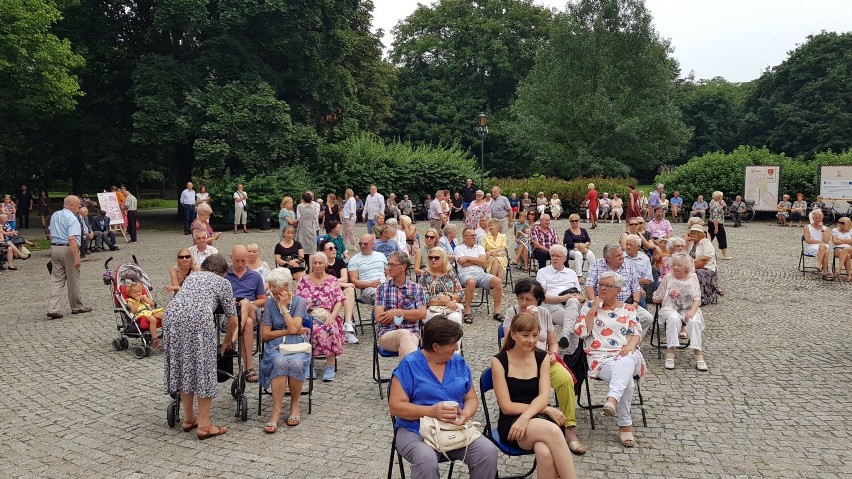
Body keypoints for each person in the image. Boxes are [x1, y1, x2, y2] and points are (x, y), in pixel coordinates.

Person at [389, 317, 499, 479]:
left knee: (487, 452)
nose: (456, 347)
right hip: (414, 429)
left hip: (453, 427)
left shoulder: (459, 364)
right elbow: (396, 407)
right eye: (452, 344)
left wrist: (465, 415)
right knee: (425, 460)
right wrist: (431, 411)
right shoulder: (410, 365)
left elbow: (471, 398)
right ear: (435, 346)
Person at [501, 280, 587, 454]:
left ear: (538, 301)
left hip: (544, 360)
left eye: (529, 299)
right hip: (521, 363)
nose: (524, 303)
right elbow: (507, 345)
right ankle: (536, 415)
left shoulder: (545, 313)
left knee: (564, 379)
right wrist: (525, 321)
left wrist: (553, 354)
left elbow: (552, 343)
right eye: (521, 298)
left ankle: (569, 429)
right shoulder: (512, 313)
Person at [491, 312, 580, 478]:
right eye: (525, 335)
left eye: (535, 335)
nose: (531, 340)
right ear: (513, 334)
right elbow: (507, 406)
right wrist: (545, 410)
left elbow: (543, 395)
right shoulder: (499, 361)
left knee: (544, 452)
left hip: (535, 417)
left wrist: (527, 416)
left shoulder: (542, 357)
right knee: (553, 431)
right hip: (512, 423)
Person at [163, 254, 238, 440]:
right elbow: (233, 319)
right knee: (204, 369)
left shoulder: (193, 276)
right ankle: (205, 425)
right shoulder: (223, 283)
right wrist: (227, 341)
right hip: (197, 321)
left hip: (172, 317)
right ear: (224, 273)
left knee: (184, 365)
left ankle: (189, 418)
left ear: (203, 267)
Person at [574, 271, 646, 448]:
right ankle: (625, 426)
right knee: (626, 380)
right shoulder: (589, 307)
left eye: (608, 285)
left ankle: (612, 399)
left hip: (628, 353)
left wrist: (630, 347)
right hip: (601, 359)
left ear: (618, 290)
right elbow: (582, 333)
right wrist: (592, 310)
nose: (603, 288)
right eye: (601, 285)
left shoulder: (628, 309)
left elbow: (636, 334)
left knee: (627, 358)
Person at [259, 267, 311, 432]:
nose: (272, 289)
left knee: (295, 363)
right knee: (279, 361)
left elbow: (296, 328)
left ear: (287, 285)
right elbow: (266, 334)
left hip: (297, 345)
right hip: (275, 345)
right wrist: (289, 331)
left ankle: (294, 406)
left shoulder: (299, 302)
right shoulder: (268, 303)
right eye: (271, 285)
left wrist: (284, 308)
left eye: (276, 286)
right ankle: (276, 411)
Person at [653, 253, 708, 371]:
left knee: (693, 321)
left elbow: (697, 298)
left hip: (689, 309)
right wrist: (666, 296)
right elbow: (657, 296)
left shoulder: (693, 278)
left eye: (679, 265)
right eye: (674, 265)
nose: (676, 267)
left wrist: (692, 312)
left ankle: (698, 355)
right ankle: (670, 353)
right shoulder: (668, 277)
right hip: (671, 309)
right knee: (673, 318)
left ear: (687, 266)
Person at [295, 253, 345, 381]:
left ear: (325, 264)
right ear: (311, 264)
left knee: (329, 327)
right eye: (315, 263)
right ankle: (308, 364)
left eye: (320, 263)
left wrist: (332, 316)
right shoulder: (304, 280)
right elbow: (297, 301)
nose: (317, 265)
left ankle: (330, 366)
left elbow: (339, 300)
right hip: (308, 315)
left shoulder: (332, 280)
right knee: (307, 329)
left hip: (328, 314)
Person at [585, 244, 653, 335]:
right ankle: (609, 342)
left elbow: (636, 287)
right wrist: (594, 302)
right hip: (603, 305)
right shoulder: (597, 265)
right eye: (618, 256)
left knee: (647, 318)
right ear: (608, 258)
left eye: (622, 254)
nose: (622, 257)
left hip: (626, 305)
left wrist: (635, 303)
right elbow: (589, 285)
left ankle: (630, 344)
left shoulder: (628, 267)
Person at [225, 245, 268, 383]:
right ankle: (248, 367)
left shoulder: (255, 276)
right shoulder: (224, 276)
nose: (240, 264)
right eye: (237, 261)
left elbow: (263, 300)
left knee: (245, 303)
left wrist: (248, 303)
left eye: (243, 261)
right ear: (231, 258)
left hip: (251, 309)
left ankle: (233, 338)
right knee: (247, 323)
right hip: (229, 314)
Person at [46, 196, 92, 319]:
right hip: (68, 249)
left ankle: (53, 308)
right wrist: (77, 257)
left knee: (56, 279)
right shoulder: (72, 218)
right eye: (78, 204)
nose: (79, 206)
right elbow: (72, 239)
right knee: (73, 280)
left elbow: (50, 232)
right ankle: (77, 306)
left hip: (55, 248)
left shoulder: (55, 215)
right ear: (71, 205)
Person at [374, 251, 427, 357]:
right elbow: (379, 317)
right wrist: (410, 315)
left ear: (403, 267)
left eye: (392, 265)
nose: (389, 268)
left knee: (406, 340)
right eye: (388, 264)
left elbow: (422, 314)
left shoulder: (417, 288)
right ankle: (415, 371)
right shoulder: (382, 288)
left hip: (413, 333)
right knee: (404, 334)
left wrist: (396, 312)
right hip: (387, 334)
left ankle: (404, 373)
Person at [535, 245, 583, 352]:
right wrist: (562, 298)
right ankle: (574, 353)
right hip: (552, 306)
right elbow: (542, 297)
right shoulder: (543, 272)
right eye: (553, 256)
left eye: (558, 256)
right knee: (575, 321)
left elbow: (579, 294)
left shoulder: (572, 273)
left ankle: (565, 336)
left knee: (574, 302)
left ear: (565, 258)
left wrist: (578, 298)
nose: (555, 258)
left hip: (571, 305)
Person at [455, 227, 504, 323]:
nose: (474, 237)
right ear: (464, 237)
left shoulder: (480, 248)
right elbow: (462, 263)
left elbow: (483, 261)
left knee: (498, 281)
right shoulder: (458, 248)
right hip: (465, 273)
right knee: (471, 281)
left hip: (480, 273)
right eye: (472, 235)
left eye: (475, 235)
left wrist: (468, 258)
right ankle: (467, 311)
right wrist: (478, 261)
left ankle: (496, 311)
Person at [319, 238, 359, 344]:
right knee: (347, 287)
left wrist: (338, 283)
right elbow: (321, 281)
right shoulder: (320, 263)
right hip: (324, 294)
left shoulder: (340, 261)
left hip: (339, 292)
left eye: (335, 248)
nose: (334, 250)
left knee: (350, 290)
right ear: (323, 251)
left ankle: (347, 324)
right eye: (331, 248)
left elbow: (344, 278)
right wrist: (341, 283)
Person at [419, 247, 464, 325]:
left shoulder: (450, 274)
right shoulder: (425, 275)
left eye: (436, 258)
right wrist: (446, 302)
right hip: (431, 309)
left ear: (443, 259)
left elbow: (460, 293)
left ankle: (454, 337)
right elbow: (424, 298)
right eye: (431, 257)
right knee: (439, 319)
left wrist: (449, 297)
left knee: (455, 318)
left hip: (450, 307)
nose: (433, 260)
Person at [347, 234, 389, 304]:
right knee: (381, 296)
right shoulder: (354, 259)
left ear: (372, 244)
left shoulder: (381, 255)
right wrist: (370, 284)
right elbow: (353, 280)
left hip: (384, 285)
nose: (362, 246)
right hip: (367, 289)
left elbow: (389, 273)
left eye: (365, 244)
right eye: (360, 244)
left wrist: (387, 283)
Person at [126, 282, 165, 349]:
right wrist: (137, 302)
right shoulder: (130, 301)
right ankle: (154, 339)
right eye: (135, 292)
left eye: (139, 291)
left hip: (149, 311)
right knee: (152, 319)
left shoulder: (144, 297)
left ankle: (165, 334)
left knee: (163, 315)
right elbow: (132, 311)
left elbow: (153, 305)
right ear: (130, 294)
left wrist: (147, 300)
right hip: (141, 314)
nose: (138, 293)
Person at [687, 225, 720, 304]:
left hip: (707, 267)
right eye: (691, 233)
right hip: (693, 266)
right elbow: (684, 254)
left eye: (694, 233)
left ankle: (702, 299)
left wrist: (692, 261)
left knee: (696, 274)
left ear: (699, 234)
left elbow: (708, 256)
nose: (692, 235)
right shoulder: (691, 243)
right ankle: (688, 297)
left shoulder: (705, 242)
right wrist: (686, 243)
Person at [562, 214, 595, 280]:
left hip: (584, 249)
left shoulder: (583, 230)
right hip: (571, 250)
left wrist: (584, 246)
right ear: (570, 222)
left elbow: (588, 241)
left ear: (578, 221)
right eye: (572, 221)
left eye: (576, 220)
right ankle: (579, 275)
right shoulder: (567, 232)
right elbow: (569, 243)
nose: (574, 222)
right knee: (578, 254)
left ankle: (592, 274)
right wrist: (580, 247)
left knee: (590, 254)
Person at [803, 209, 832, 280]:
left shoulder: (826, 228)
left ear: (822, 218)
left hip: (824, 246)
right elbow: (808, 240)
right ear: (813, 218)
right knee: (824, 250)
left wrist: (822, 229)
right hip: (812, 246)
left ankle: (817, 266)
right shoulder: (807, 227)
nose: (818, 220)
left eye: (820, 218)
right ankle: (825, 272)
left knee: (823, 247)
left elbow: (826, 240)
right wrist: (820, 242)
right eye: (816, 218)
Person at [708, 191, 732, 260]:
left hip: (711, 222)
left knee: (709, 238)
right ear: (719, 197)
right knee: (722, 239)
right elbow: (715, 217)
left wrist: (722, 205)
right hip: (717, 223)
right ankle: (724, 255)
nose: (722, 197)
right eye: (721, 196)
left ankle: (702, 251)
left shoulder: (712, 202)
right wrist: (716, 228)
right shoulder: (716, 205)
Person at [831, 216, 852, 282]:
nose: (840, 224)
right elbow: (835, 241)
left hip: (850, 249)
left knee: (846, 249)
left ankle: (838, 269)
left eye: (842, 223)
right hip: (838, 249)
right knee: (847, 255)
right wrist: (847, 240)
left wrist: (840, 239)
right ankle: (849, 275)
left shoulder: (851, 231)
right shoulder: (835, 230)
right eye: (839, 222)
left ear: (847, 224)